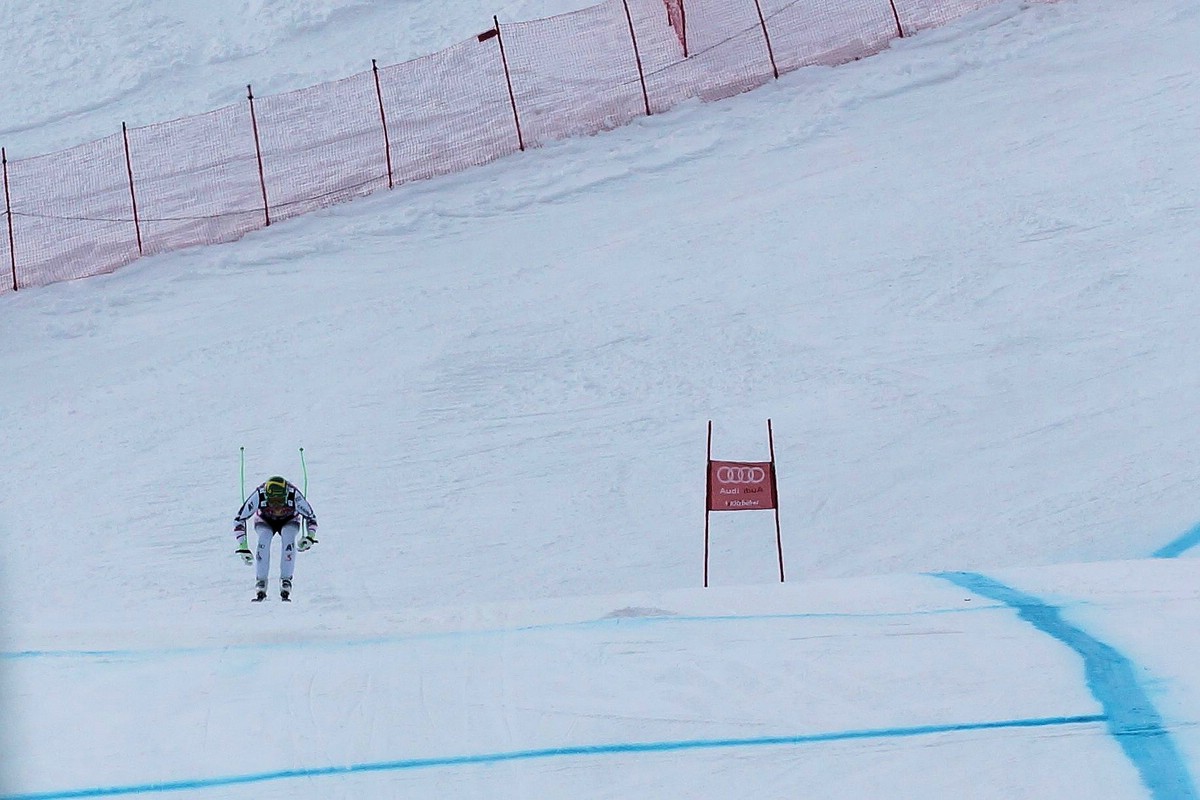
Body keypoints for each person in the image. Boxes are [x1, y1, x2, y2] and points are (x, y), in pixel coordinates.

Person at [234, 475, 318, 601]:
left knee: (288, 538)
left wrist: (310, 537)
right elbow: (239, 519)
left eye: (280, 501)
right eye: (272, 501)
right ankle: (261, 582)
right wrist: (243, 546)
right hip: (264, 520)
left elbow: (311, 517)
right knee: (264, 539)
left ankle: (286, 580)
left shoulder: (294, 495)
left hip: (289, 520)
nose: (277, 507)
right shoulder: (259, 495)